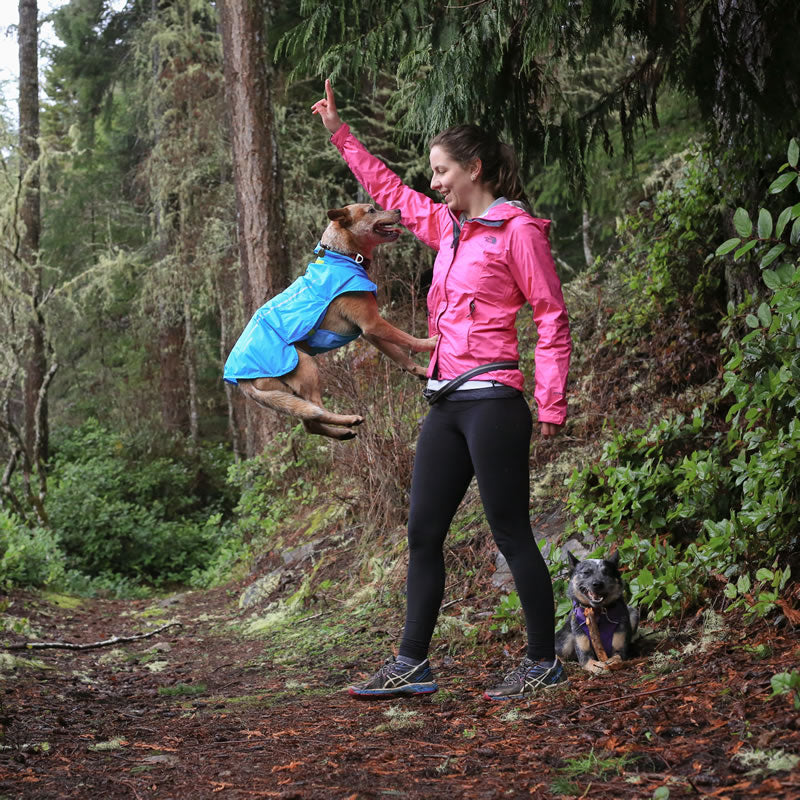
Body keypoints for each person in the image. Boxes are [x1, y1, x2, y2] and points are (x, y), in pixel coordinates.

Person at [312, 80, 572, 701]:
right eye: (432, 172)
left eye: (442, 171)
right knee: (423, 532)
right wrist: (341, 136)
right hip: (446, 401)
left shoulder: (517, 232)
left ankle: (542, 661)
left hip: (494, 402)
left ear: (473, 169)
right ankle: (412, 663)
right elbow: (390, 192)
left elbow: (550, 316)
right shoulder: (448, 227)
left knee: (510, 531)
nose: (433, 183)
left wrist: (551, 398)